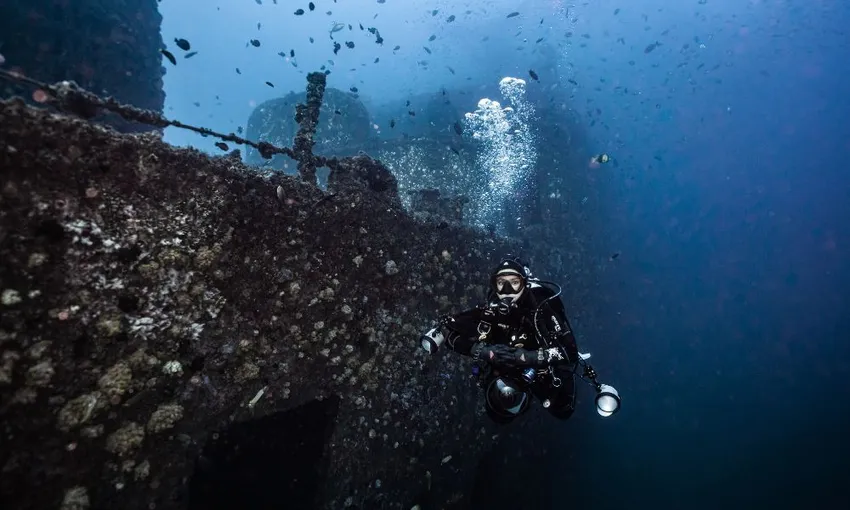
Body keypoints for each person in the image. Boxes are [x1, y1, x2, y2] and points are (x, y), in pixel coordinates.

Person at [421, 256, 586, 424]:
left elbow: (570, 352)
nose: (507, 290)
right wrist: (482, 351)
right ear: (495, 285)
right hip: (506, 367)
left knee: (563, 410)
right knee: (498, 411)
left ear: (524, 284)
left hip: (538, 365)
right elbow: (448, 332)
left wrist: (528, 357)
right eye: (501, 283)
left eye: (514, 283)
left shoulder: (542, 308)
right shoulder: (491, 311)